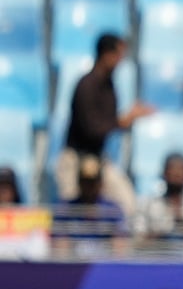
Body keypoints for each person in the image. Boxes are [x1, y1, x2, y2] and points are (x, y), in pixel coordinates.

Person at [55, 33, 153, 217]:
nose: (121, 61)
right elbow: (91, 128)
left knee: (127, 203)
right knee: (71, 212)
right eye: (118, 55)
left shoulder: (110, 86)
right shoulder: (86, 84)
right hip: (75, 159)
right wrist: (124, 120)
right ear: (106, 54)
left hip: (99, 159)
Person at [53, 155, 127, 257]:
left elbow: (119, 247)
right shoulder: (66, 209)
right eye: (86, 182)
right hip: (74, 265)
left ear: (101, 183)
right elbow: (60, 246)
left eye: (93, 182)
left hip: (103, 264)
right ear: (79, 182)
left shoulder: (112, 210)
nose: (89, 187)